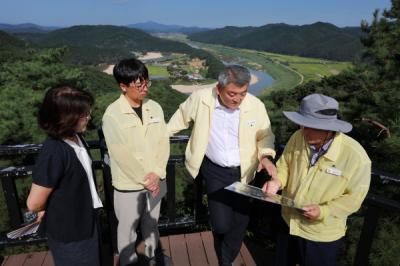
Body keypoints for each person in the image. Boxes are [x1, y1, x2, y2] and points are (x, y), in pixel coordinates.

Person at [168, 65, 276, 266]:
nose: (237, 99)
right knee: (221, 224)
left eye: (243, 94)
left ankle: (227, 260)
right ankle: (224, 249)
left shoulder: (255, 105)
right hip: (215, 171)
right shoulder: (201, 99)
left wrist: (266, 156)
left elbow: (265, 135)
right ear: (219, 88)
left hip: (245, 172)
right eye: (232, 94)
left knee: (241, 221)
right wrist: (158, 138)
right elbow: (179, 119)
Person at [263, 93, 371, 266]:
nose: (303, 130)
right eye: (302, 124)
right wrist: (278, 181)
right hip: (288, 221)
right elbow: (284, 165)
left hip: (321, 234)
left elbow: (354, 198)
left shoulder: (356, 156)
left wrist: (323, 211)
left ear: (330, 128)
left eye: (311, 126)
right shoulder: (298, 136)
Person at [102, 58, 169, 265]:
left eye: (146, 82)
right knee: (128, 230)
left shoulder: (155, 107)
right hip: (129, 185)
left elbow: (163, 142)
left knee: (152, 225)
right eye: (139, 84)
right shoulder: (113, 114)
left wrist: (157, 174)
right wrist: (146, 179)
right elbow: (120, 154)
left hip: (157, 180)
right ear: (123, 86)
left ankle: (151, 259)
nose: (144, 88)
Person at [27, 85, 103, 266]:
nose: (88, 117)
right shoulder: (54, 151)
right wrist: (44, 208)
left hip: (85, 221)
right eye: (83, 114)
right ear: (65, 118)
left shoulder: (75, 137)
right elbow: (33, 202)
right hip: (71, 232)